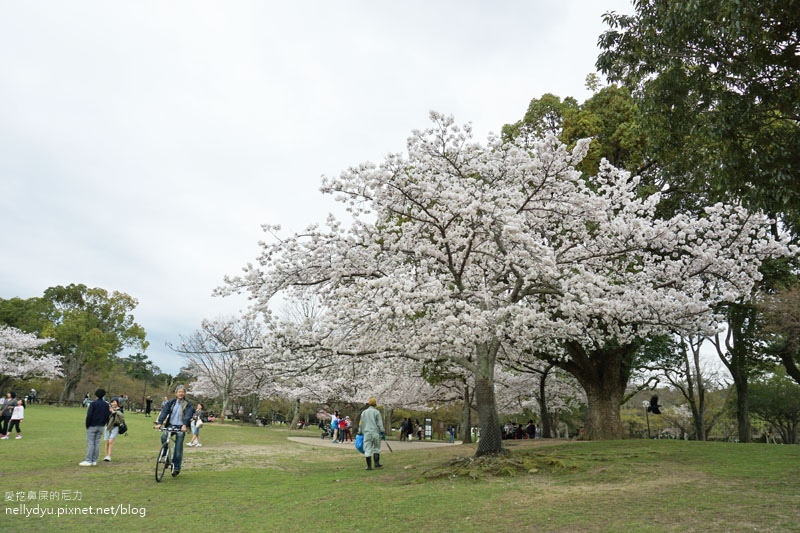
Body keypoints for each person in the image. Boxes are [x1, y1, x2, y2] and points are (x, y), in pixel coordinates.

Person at [154, 385, 195, 477]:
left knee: (178, 447)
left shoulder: (187, 404)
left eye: (183, 392)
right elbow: (164, 412)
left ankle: (176, 467)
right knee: (164, 436)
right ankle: (165, 454)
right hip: (171, 425)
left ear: (184, 394)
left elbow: (188, 415)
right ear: (176, 393)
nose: (181, 393)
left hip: (181, 426)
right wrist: (159, 423)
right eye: (179, 392)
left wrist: (184, 425)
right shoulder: (171, 403)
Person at [80, 388, 110, 466]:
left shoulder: (93, 404)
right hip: (101, 426)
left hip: (92, 425)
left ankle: (89, 460)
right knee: (97, 443)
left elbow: (89, 415)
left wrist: (87, 424)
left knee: (90, 443)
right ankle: (94, 460)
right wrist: (104, 423)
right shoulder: (106, 404)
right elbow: (107, 416)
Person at [358, 398, 384, 471]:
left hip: (366, 433)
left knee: (368, 448)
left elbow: (360, 423)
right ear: (375, 404)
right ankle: (376, 463)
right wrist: (382, 431)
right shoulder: (377, 412)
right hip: (375, 432)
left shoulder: (364, 413)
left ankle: (369, 466)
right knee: (377, 448)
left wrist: (359, 431)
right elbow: (380, 423)